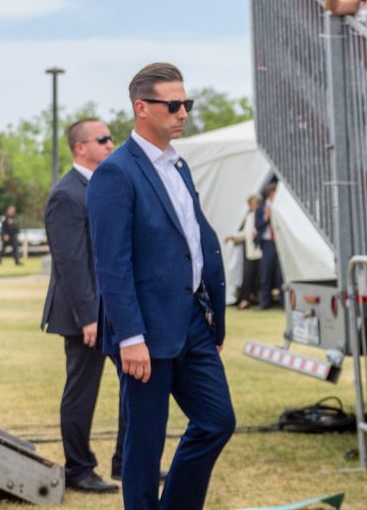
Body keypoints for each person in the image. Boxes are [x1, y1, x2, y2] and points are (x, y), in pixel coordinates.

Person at [89, 63, 234, 510]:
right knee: (145, 445)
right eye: (172, 105)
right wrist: (130, 337)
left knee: (216, 421)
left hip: (192, 321)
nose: (183, 113)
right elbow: (112, 265)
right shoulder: (116, 172)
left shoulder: (179, 164)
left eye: (185, 104)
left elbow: (193, 239)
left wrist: (212, 315)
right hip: (144, 333)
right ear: (141, 108)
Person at [42, 118, 122, 495]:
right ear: (80, 148)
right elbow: (70, 262)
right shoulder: (66, 194)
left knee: (139, 383)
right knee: (82, 391)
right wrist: (89, 316)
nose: (111, 144)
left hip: (115, 311)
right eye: (103, 139)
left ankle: (129, 461)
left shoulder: (102, 186)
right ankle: (78, 469)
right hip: (85, 318)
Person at [253, 179, 281, 310]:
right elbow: (258, 226)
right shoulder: (261, 208)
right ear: (271, 193)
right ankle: (265, 302)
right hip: (267, 243)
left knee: (280, 274)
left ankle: (282, 302)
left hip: (280, 243)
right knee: (266, 274)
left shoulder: (280, 207)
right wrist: (266, 218)